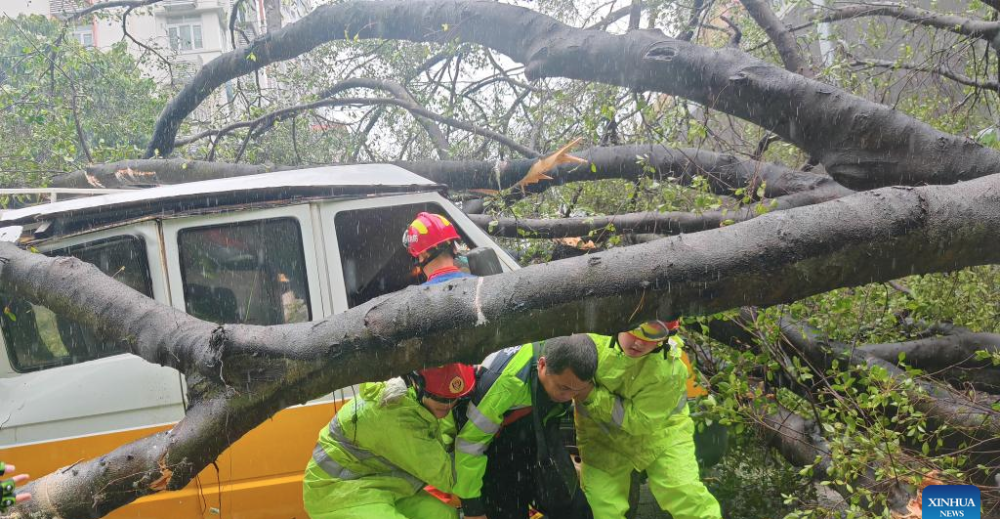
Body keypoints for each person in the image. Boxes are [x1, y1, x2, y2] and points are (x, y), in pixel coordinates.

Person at [576, 320, 722, 519]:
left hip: (662, 435)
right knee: (600, 508)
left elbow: (639, 422)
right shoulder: (588, 342)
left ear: (665, 337)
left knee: (684, 493)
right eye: (635, 329)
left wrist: (590, 394)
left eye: (652, 334)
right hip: (603, 437)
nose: (639, 342)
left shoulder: (668, 369)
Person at [302, 363, 476, 519]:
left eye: (454, 399)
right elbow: (449, 478)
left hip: (381, 483)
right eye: (442, 398)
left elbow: (443, 441)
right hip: (337, 492)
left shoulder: (416, 397)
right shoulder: (398, 416)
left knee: (444, 516)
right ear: (417, 385)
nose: (448, 405)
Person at [455, 334, 597, 519]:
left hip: (539, 435)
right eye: (564, 388)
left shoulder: (570, 357)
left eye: (577, 390)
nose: (569, 397)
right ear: (542, 365)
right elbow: (469, 446)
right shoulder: (504, 384)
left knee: (574, 509)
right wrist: (473, 509)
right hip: (495, 452)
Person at [402, 211, 469, 284]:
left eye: (417, 258)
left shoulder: (421, 294)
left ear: (424, 254)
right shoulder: (478, 283)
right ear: (455, 249)